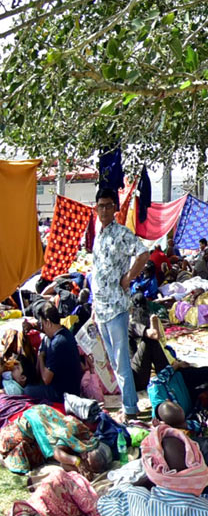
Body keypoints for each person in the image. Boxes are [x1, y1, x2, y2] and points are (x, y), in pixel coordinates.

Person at [91, 187, 152, 417]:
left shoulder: (122, 233)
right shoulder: (99, 234)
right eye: (100, 206)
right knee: (112, 361)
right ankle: (127, 404)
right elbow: (97, 270)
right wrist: (95, 308)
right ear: (96, 209)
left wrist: (129, 277)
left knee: (121, 360)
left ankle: (130, 408)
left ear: (115, 208)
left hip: (116, 307)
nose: (104, 210)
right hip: (102, 307)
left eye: (108, 205)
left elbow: (143, 254)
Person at [0, 405, 111, 475]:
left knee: (36, 454)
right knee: (16, 454)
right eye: (87, 461)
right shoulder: (70, 436)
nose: (85, 461)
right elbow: (56, 452)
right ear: (86, 454)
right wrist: (75, 461)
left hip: (43, 417)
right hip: (32, 423)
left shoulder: (89, 440)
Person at [19, 306, 83, 402]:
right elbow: (46, 331)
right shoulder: (65, 332)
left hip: (63, 394)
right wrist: (32, 326)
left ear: (48, 322)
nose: (42, 328)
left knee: (27, 391)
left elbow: (46, 379)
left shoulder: (56, 344)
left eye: (42, 324)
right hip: (73, 387)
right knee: (45, 340)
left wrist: (40, 357)